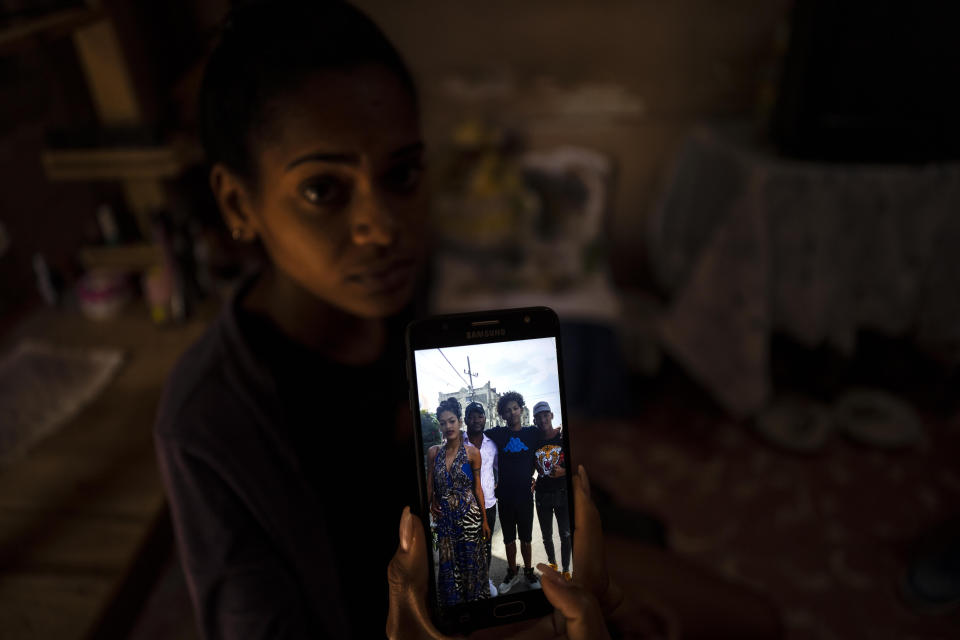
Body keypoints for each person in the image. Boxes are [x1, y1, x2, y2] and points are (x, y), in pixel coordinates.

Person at [426, 398, 491, 606]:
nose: (448, 426)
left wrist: (485, 520)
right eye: (443, 422)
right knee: (447, 563)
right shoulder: (434, 453)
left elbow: (477, 488)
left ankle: (474, 609)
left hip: (470, 516)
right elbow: (430, 484)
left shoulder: (472, 452)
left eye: (452, 421)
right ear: (440, 425)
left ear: (460, 422)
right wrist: (430, 503)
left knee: (471, 563)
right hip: (445, 519)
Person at [484, 391, 541, 593]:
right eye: (507, 410)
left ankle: (527, 571)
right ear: (502, 415)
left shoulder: (533, 433)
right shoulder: (498, 434)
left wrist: (536, 477)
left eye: (515, 408)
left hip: (525, 496)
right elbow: (474, 436)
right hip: (505, 498)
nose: (512, 413)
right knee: (509, 539)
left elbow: (548, 448)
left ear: (521, 409)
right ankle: (512, 572)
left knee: (526, 538)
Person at [532, 401, 572, 579]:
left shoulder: (563, 436)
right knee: (546, 535)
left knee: (566, 534)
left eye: (545, 415)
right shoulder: (534, 441)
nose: (542, 419)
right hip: (542, 495)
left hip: (563, 493)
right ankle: (553, 566)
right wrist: (529, 479)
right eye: (538, 417)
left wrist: (564, 471)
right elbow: (525, 462)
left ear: (551, 415)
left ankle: (565, 570)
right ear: (534, 420)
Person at [464, 401, 499, 597]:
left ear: (485, 418)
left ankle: (485, 580)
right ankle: (471, 584)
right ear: (466, 419)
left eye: (480, 416)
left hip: (489, 503)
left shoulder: (491, 444)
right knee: (468, 546)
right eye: (472, 416)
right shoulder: (458, 442)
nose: (476, 420)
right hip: (465, 506)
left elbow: (499, 467)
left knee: (486, 544)